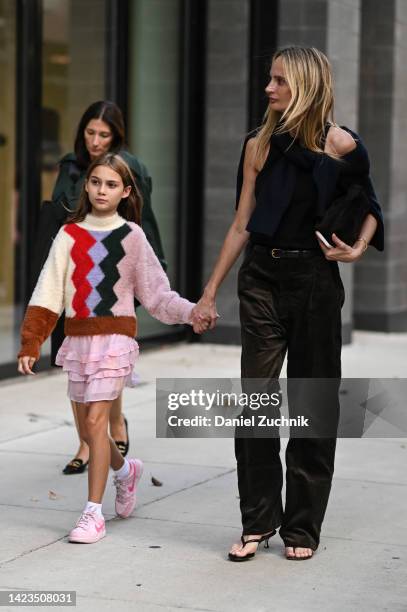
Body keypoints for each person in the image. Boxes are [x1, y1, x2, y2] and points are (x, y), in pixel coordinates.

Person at [194, 46, 384, 561]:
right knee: (255, 403)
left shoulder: (340, 142)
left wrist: (359, 247)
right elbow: (240, 222)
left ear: (305, 84)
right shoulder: (257, 145)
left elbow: (368, 203)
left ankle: (302, 528)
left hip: (315, 280)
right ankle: (257, 522)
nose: (268, 88)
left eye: (278, 80)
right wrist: (210, 291)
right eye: (269, 78)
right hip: (261, 276)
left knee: (311, 404)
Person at [18, 153, 206, 543]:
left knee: (95, 423)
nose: (102, 190)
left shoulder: (133, 237)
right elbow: (48, 292)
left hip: (116, 341)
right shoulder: (68, 236)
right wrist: (31, 341)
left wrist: (191, 313)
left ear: (126, 191)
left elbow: (157, 295)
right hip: (78, 341)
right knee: (91, 434)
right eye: (96, 182)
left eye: (111, 184)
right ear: (86, 186)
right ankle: (126, 471)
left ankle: (92, 514)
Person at [32, 100, 167, 474]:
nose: (95, 141)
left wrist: (155, 275)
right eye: (90, 132)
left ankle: (115, 424)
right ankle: (86, 442)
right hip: (72, 279)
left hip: (113, 278)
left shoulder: (128, 168)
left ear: (116, 136)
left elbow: (144, 218)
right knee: (78, 366)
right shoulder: (69, 166)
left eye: (103, 134)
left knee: (106, 361)